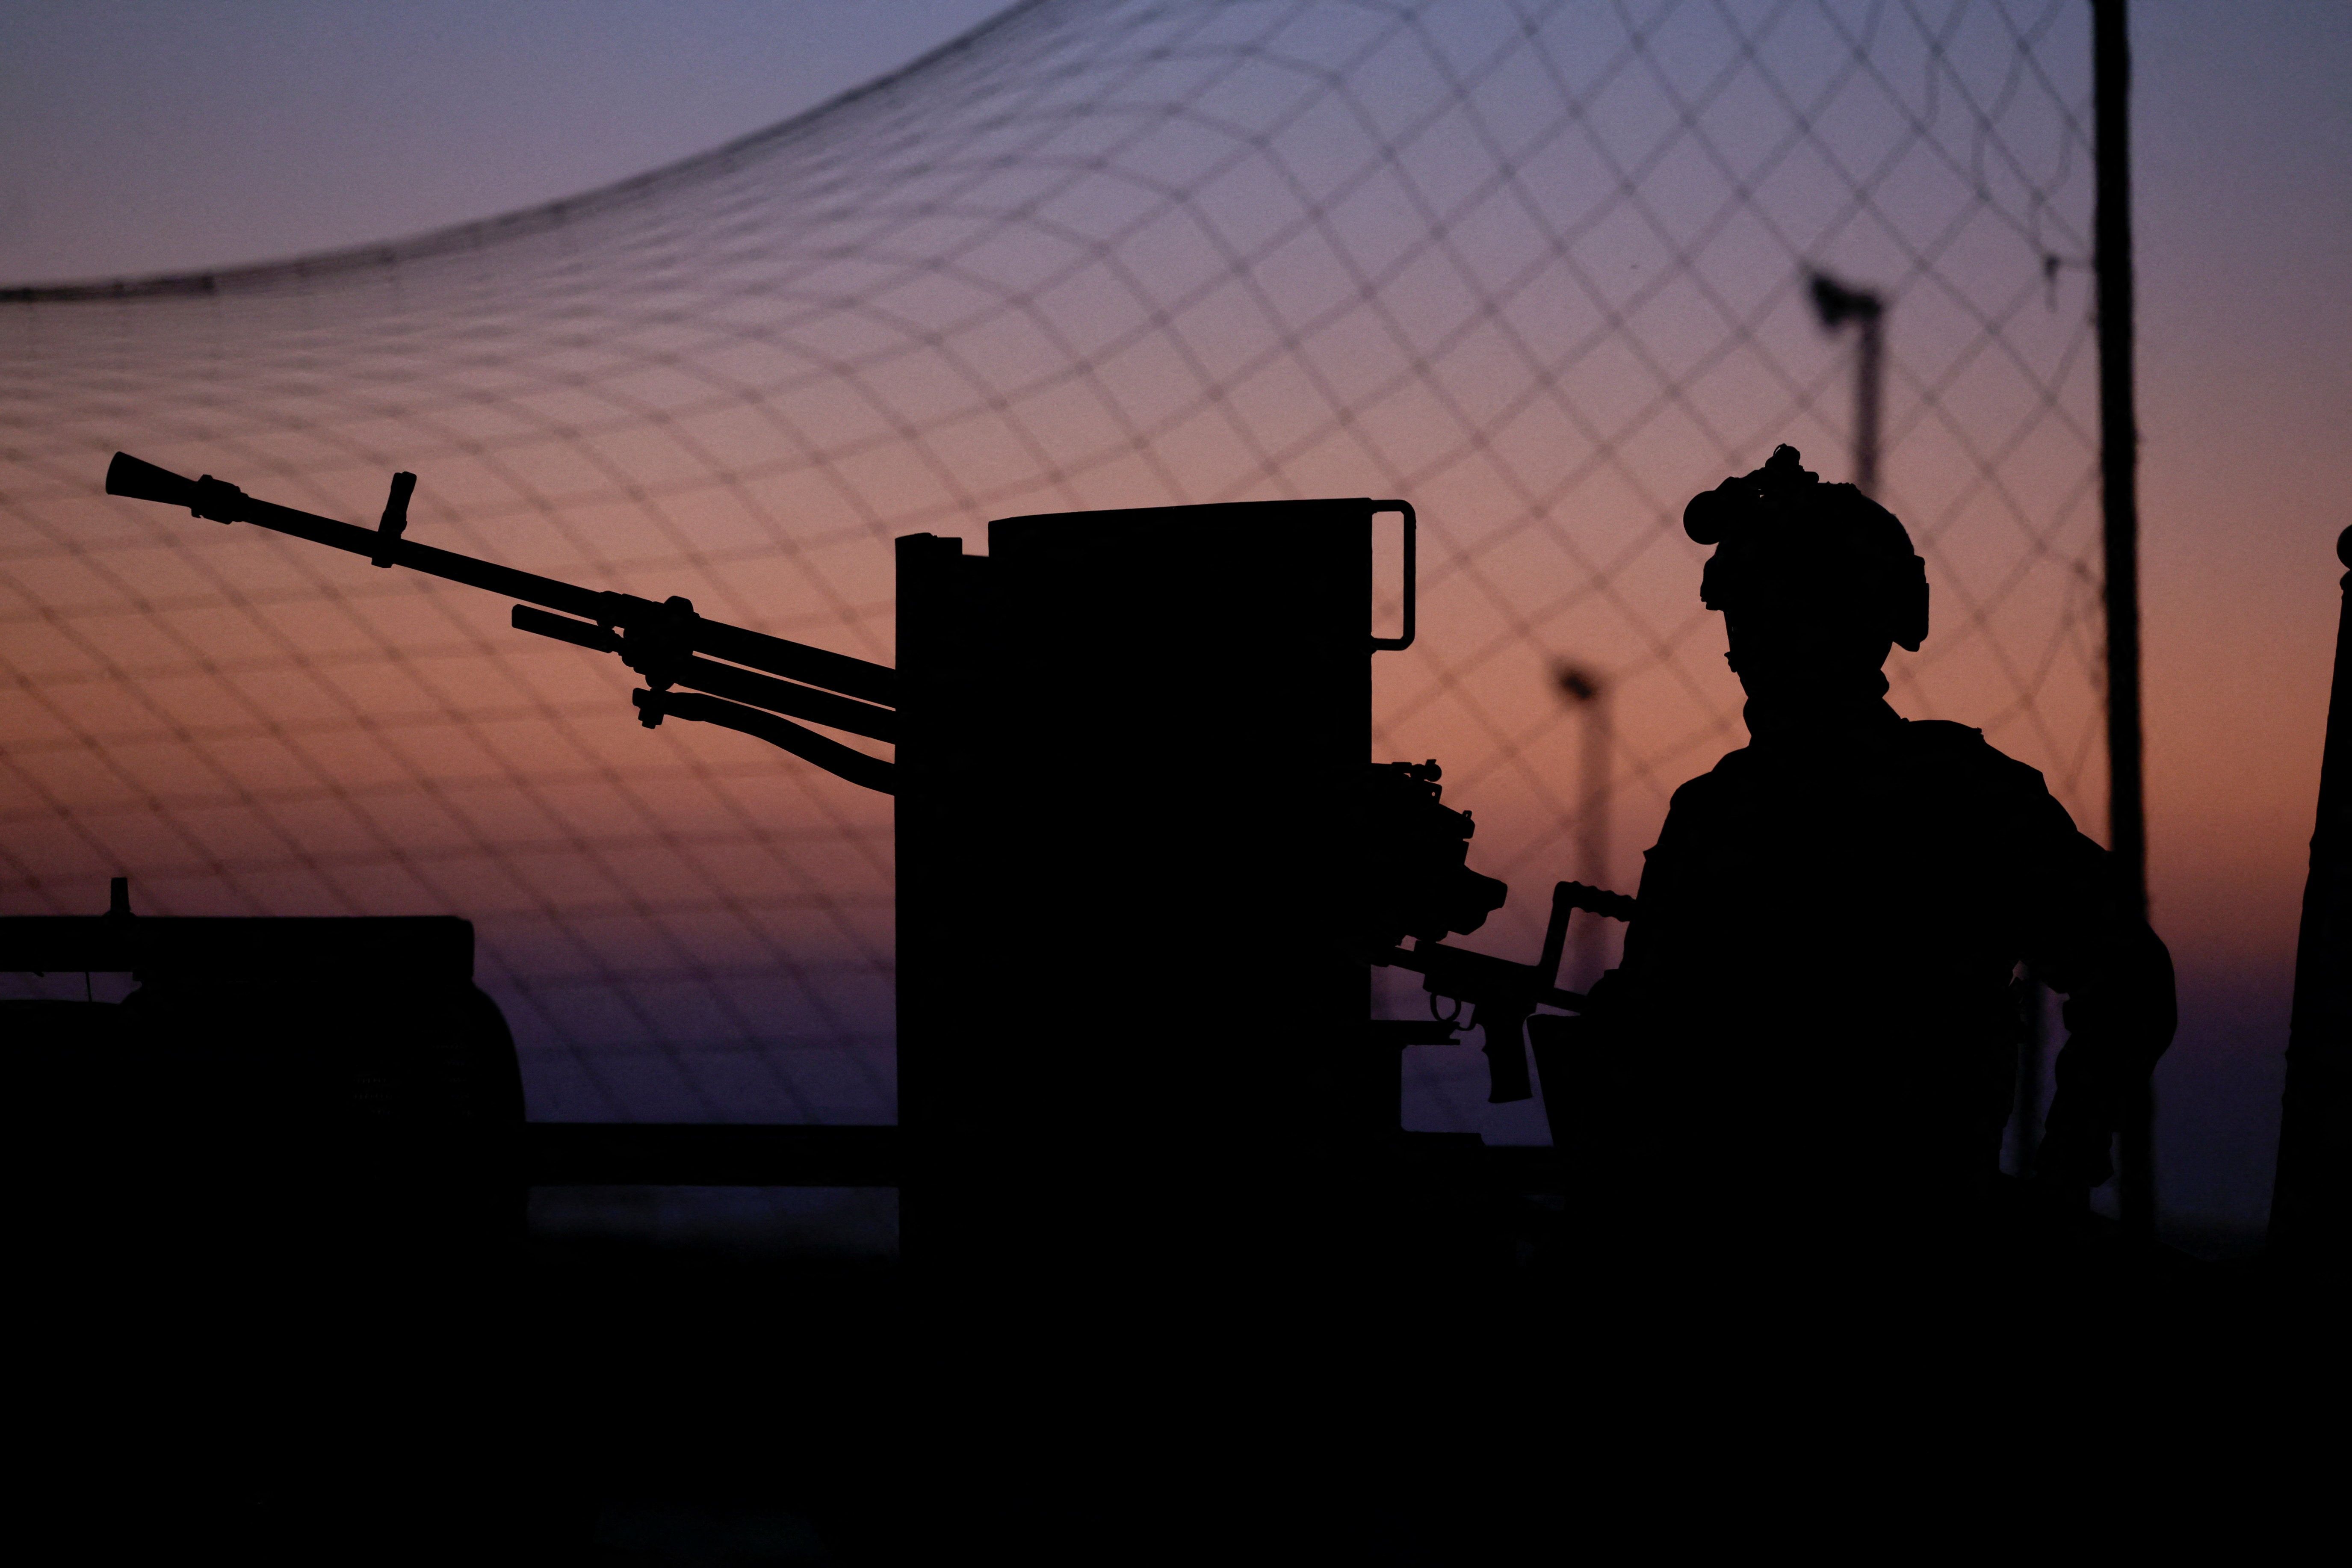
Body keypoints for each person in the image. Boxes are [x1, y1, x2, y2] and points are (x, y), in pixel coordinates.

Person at [1585, 446, 2175, 1276]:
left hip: (1857, 1239)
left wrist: (2060, 1179)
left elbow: (2127, 978)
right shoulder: (1939, 796)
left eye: (1769, 617)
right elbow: (2129, 977)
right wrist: (2060, 1179)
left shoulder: (1751, 810)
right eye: (1746, 619)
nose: (1750, 647)